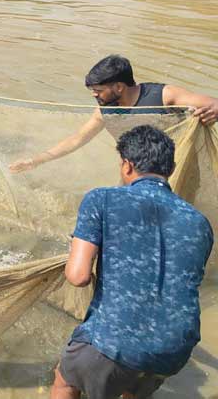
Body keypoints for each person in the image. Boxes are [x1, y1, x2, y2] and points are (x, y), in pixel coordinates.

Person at [50, 125, 213, 399]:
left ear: (127, 165)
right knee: (132, 384)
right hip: (175, 348)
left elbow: (78, 276)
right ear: (171, 169)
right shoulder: (200, 222)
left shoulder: (101, 199)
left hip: (114, 341)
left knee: (65, 380)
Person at [10, 54, 218, 173]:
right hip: (133, 173)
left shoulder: (164, 95)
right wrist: (36, 161)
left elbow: (213, 104)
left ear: (119, 87)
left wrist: (215, 110)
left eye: (98, 90)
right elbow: (77, 139)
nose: (94, 95)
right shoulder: (106, 110)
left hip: (177, 168)